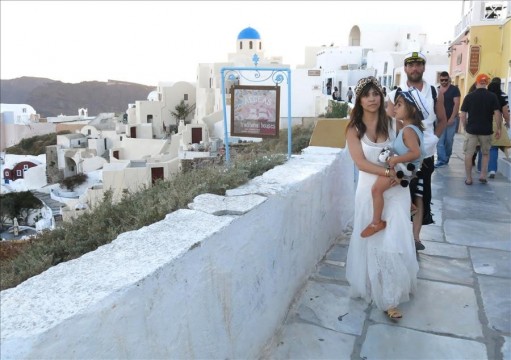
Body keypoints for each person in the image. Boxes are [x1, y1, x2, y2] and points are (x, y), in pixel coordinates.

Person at [345, 76, 419, 319]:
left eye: (375, 93)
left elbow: (410, 151)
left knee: (393, 240)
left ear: (381, 95)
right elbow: (360, 162)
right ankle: (376, 287)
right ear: (359, 99)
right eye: (366, 95)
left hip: (396, 189)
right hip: (370, 190)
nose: (371, 98)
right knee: (374, 242)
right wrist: (389, 172)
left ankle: (390, 297)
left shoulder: (393, 123)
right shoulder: (353, 128)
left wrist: (403, 174)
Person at [386, 51, 447, 251]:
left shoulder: (433, 92)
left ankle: (415, 237)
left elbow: (443, 119)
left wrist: (434, 139)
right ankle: (400, 234)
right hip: (403, 152)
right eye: (410, 65)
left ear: (423, 67)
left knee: (420, 194)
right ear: (405, 68)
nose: (414, 68)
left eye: (418, 64)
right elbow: (390, 122)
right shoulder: (396, 93)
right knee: (401, 192)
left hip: (426, 154)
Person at [361, 88, 427, 238]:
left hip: (402, 169)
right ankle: (410, 205)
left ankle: (376, 222)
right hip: (405, 169)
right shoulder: (411, 129)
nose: (395, 108)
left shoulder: (408, 131)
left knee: (376, 190)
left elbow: (415, 152)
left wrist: (395, 159)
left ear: (413, 109)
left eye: (399, 105)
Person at [460, 73, 502, 184]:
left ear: (476, 82)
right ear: (486, 83)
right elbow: (497, 113)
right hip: (486, 130)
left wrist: (465, 126)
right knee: (485, 153)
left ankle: (469, 179)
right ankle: (483, 175)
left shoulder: (469, 96)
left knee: (468, 154)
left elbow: (463, 114)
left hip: (472, 130)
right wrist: (499, 128)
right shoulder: (492, 96)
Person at [475, 77, 510, 178]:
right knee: (493, 148)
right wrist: (507, 123)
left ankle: (481, 168)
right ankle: (492, 170)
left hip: (484, 122)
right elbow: (506, 114)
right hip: (497, 123)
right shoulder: (502, 97)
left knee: (483, 146)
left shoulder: (484, 96)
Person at [435, 71, 461, 168]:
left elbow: (456, 104)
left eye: (446, 80)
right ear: (440, 80)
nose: (444, 82)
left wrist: (452, 118)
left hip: (451, 119)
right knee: (440, 140)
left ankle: (446, 157)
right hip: (439, 120)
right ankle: (441, 159)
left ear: (449, 79)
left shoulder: (454, 90)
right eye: (442, 80)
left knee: (449, 140)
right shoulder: (437, 90)